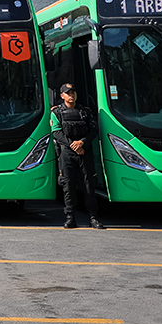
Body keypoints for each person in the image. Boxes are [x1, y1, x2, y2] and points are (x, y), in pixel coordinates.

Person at [51, 83, 104, 229]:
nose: (71, 95)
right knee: (68, 186)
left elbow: (94, 130)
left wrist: (82, 142)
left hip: (84, 151)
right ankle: (70, 218)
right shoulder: (56, 113)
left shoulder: (85, 112)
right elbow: (57, 133)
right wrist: (73, 145)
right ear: (62, 96)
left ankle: (93, 218)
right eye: (68, 93)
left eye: (73, 92)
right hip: (67, 153)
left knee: (89, 185)